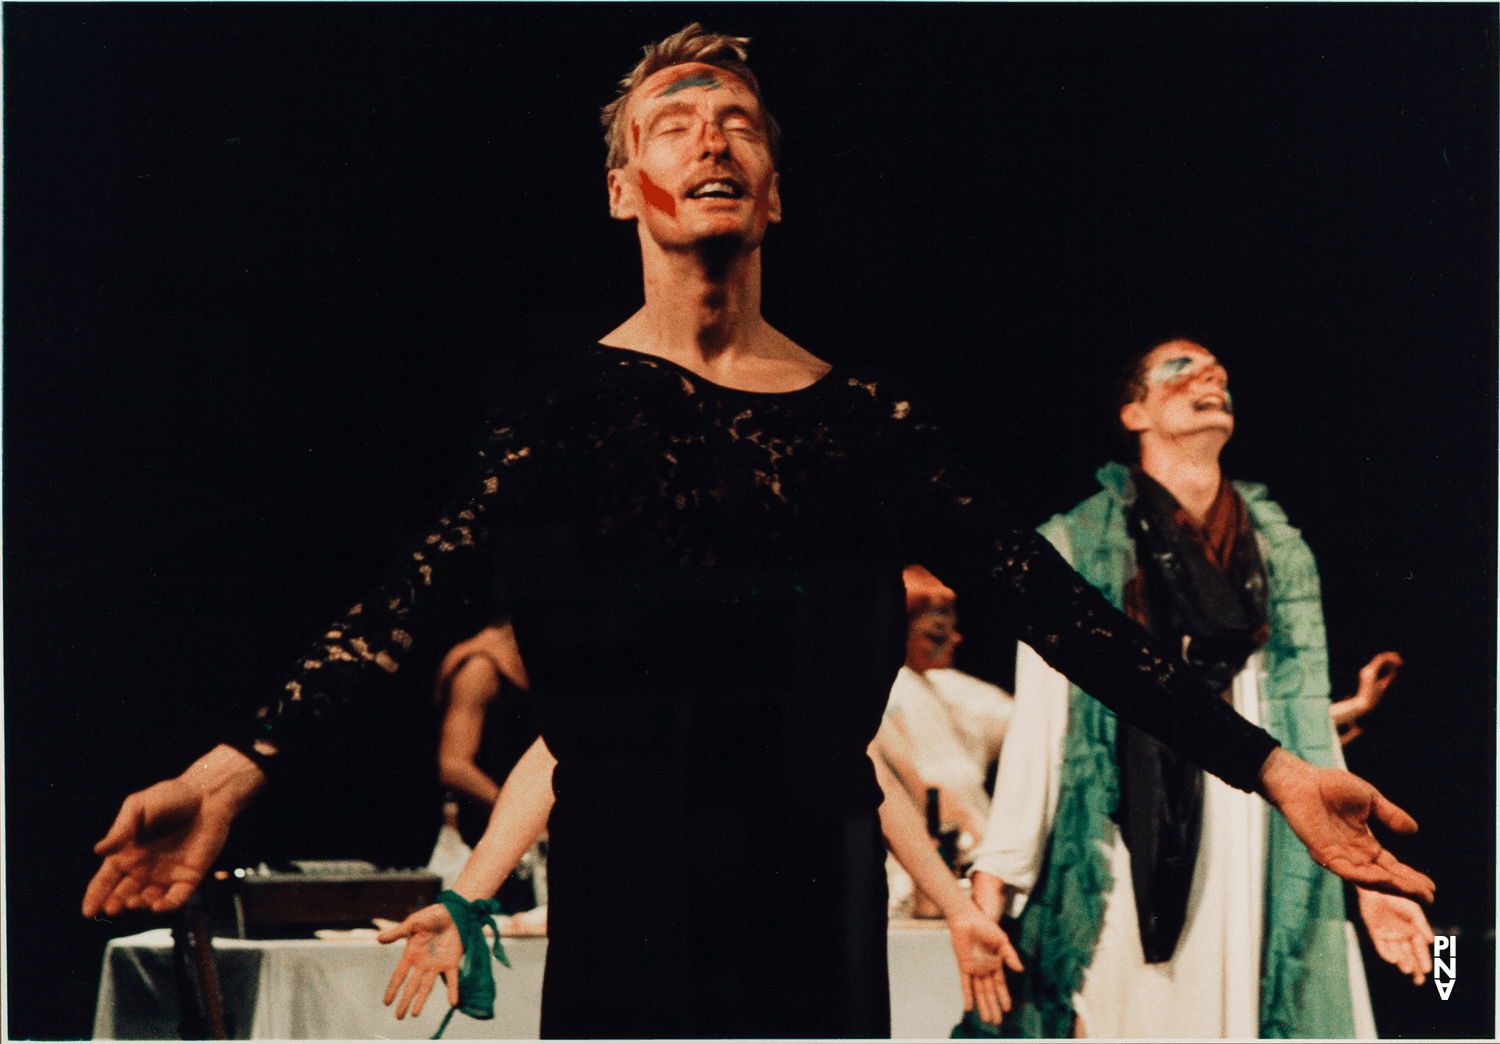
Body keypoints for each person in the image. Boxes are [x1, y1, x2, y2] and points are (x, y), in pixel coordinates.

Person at [84, 26, 1434, 1040]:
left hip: (816, 906)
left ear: (777, 193)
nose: (711, 138)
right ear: (625, 190)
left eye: (738, 122)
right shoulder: (563, 415)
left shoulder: (865, 424)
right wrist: (234, 767)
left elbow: (1061, 611)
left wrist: (1274, 768)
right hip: (630, 906)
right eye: (675, 124)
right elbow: (406, 602)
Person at [962, 340, 1434, 1038]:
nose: (1213, 377)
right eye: (1182, 369)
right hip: (1122, 831)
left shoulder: (1278, 551)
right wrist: (992, 885)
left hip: (1257, 827)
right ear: (1133, 411)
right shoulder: (1074, 543)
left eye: (1220, 372)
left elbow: (1302, 717)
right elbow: (1044, 724)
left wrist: (1363, 882)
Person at [876, 565, 1013, 852]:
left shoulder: (942, 685)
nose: (955, 638)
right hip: (938, 837)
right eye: (936, 633)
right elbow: (909, 774)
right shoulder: (893, 687)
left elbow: (1004, 716)